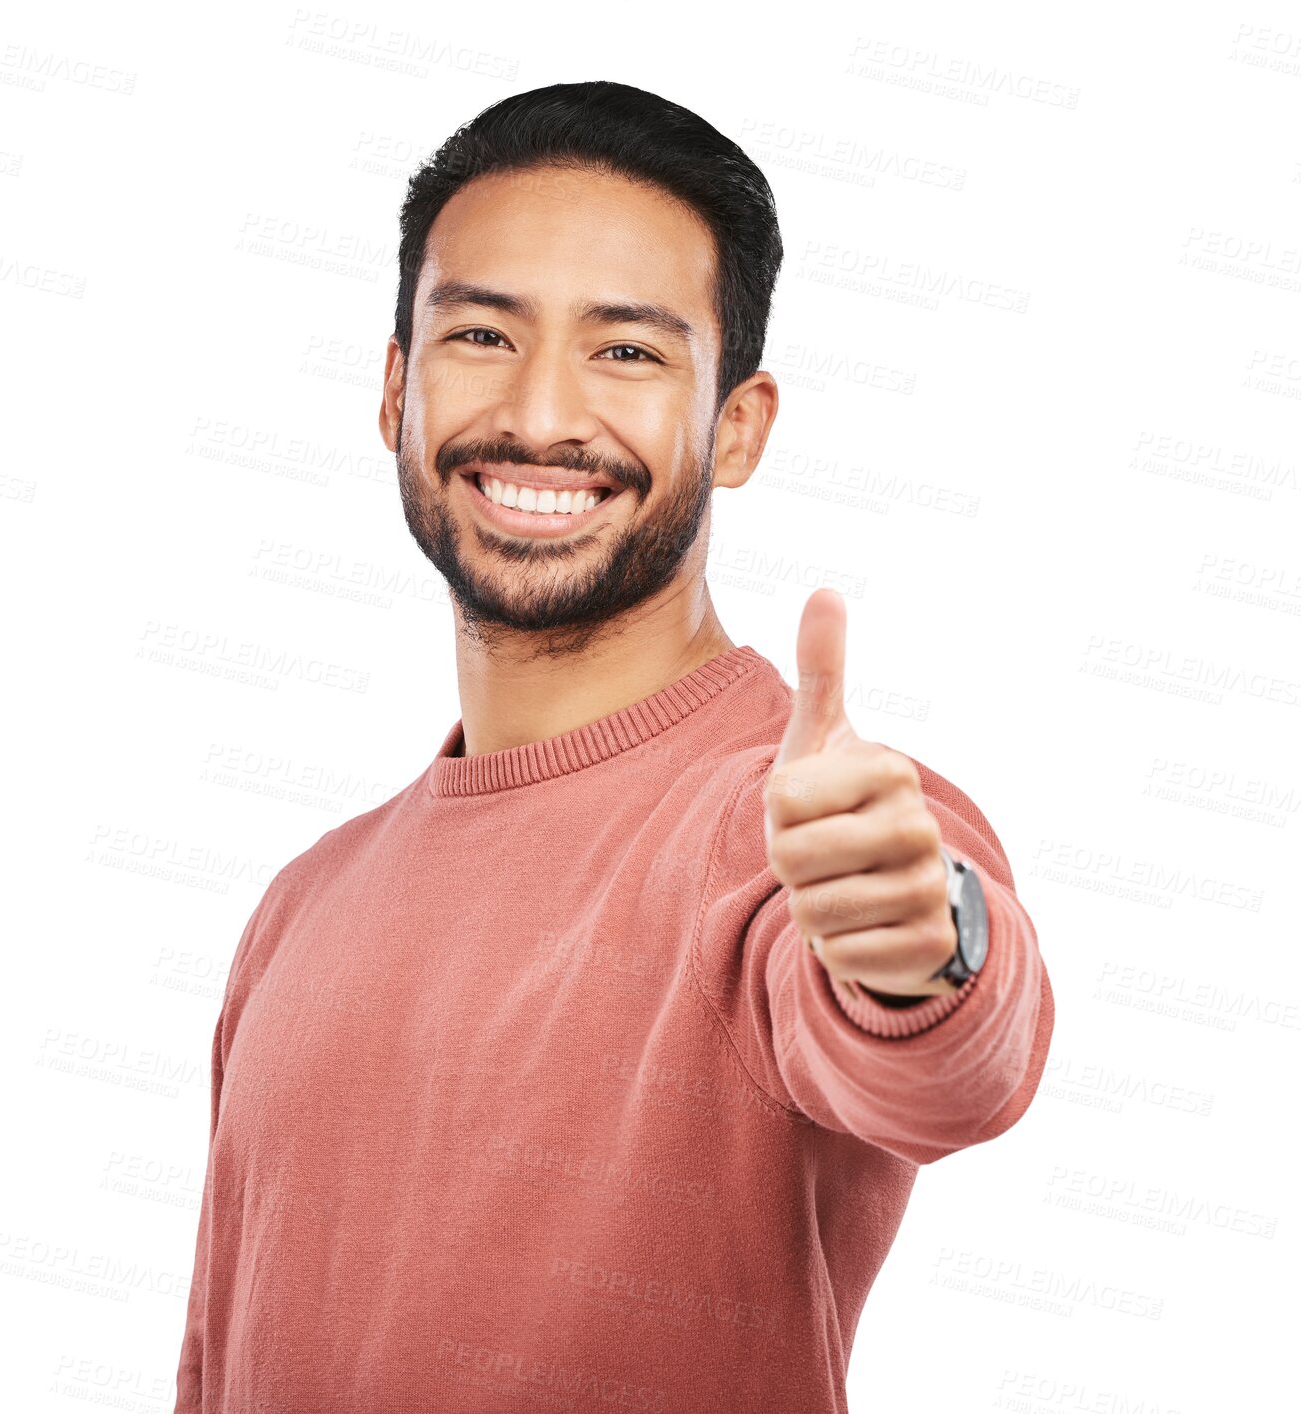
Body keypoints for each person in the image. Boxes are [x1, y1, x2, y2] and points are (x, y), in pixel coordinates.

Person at [173, 80, 1054, 1413]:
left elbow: (942, 1065)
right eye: (480, 334)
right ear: (395, 387)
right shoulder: (298, 905)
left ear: (738, 424)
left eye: (627, 352)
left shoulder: (796, 827)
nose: (540, 414)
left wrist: (926, 940)